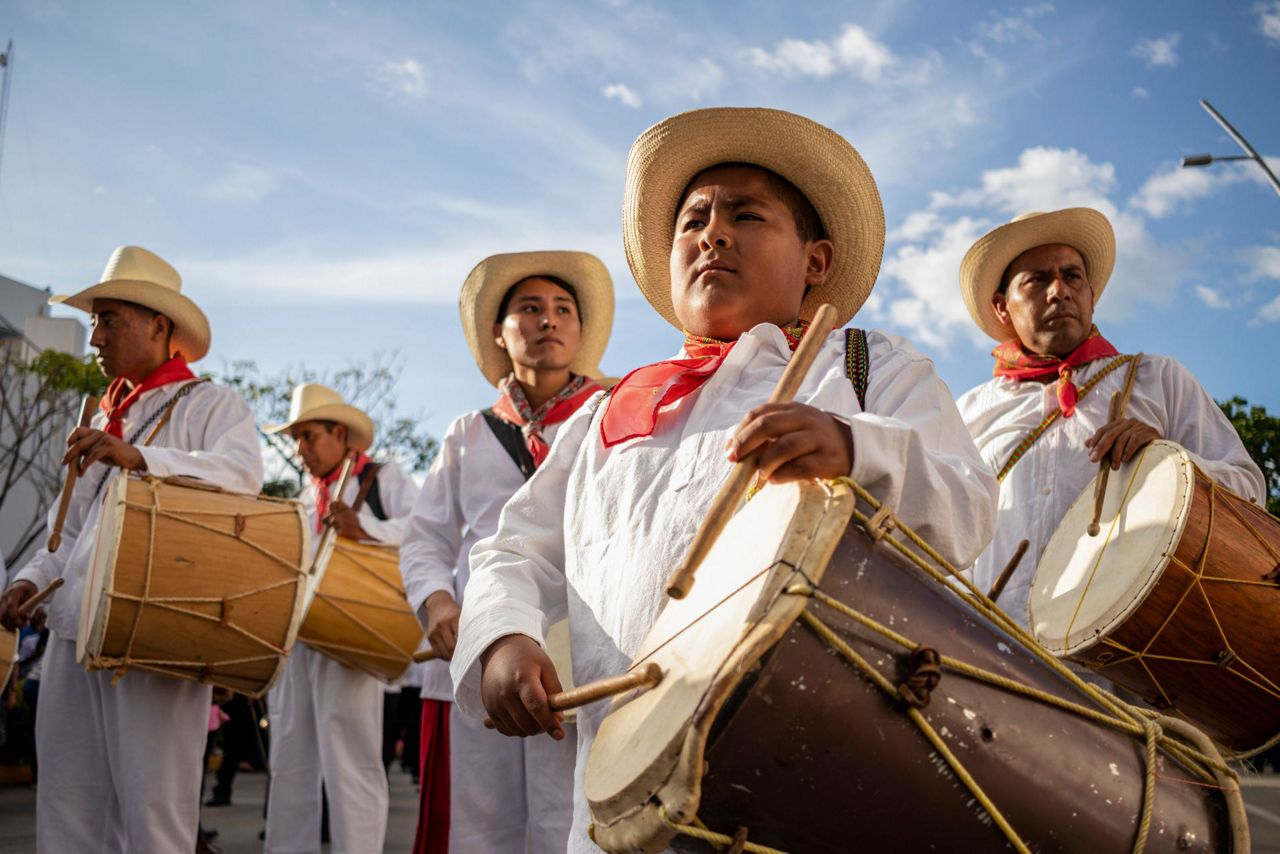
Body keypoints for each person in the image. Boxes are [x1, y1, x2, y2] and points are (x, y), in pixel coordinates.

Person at [450, 107, 998, 851]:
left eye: (746, 215)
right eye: (694, 220)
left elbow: (969, 505)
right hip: (617, 795)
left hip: (814, 783)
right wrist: (503, 636)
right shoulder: (611, 409)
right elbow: (515, 549)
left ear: (816, 261)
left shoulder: (868, 369)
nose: (712, 234)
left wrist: (855, 447)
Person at [0, 245, 263, 852]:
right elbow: (65, 534)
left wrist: (141, 457)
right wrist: (27, 580)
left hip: (157, 630)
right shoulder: (102, 418)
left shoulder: (210, 404)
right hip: (74, 630)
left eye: (109, 320)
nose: (95, 337)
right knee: (67, 804)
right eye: (94, 322)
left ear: (158, 326)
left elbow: (242, 478)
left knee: (154, 812)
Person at [956, 208, 1266, 624]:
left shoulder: (1157, 378)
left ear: (1091, 295)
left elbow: (1248, 492)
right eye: (1037, 280)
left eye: (1072, 276)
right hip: (989, 642)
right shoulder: (970, 411)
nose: (1059, 291)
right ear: (1002, 307)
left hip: (1128, 644)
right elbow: (945, 536)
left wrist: (1168, 461)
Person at [400, 250, 614, 853]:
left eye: (563, 309)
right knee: (480, 826)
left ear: (580, 330)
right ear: (499, 331)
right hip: (481, 644)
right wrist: (438, 604)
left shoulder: (608, 416)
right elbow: (426, 537)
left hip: (586, 648)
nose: (548, 320)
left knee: (573, 820)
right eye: (530, 308)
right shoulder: (467, 432)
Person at [261, 383, 418, 854]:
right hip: (298, 640)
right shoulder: (305, 496)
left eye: (308, 436)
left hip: (351, 639)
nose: (300, 450)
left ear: (341, 436)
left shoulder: (383, 478)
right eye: (296, 439)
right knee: (289, 762)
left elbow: (424, 532)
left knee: (351, 764)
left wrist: (363, 527)